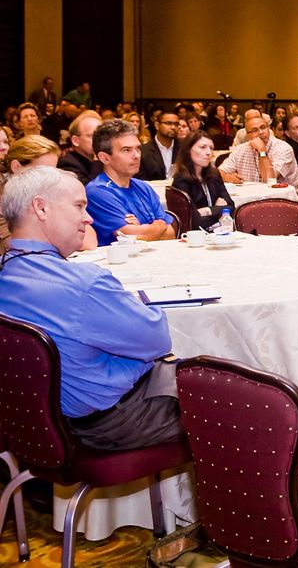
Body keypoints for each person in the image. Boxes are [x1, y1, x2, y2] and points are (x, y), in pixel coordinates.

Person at [0, 166, 183, 451]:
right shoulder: (83, 285)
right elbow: (158, 338)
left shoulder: (8, 270)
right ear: (41, 209)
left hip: (37, 425)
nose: (89, 218)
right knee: (238, 402)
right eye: (79, 206)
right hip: (113, 423)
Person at [85, 120, 173, 247]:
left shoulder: (143, 187)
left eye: (138, 148)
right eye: (126, 150)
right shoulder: (98, 191)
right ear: (104, 158)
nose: (136, 155)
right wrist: (159, 225)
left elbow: (170, 234)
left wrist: (144, 229)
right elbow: (131, 237)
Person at [1, 135, 67, 252]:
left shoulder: (50, 190)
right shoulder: (4, 198)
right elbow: (17, 246)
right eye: (42, 171)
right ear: (16, 167)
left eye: (53, 171)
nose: (50, 178)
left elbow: (87, 239)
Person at [169, 131, 235, 232]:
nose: (209, 152)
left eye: (211, 148)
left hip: (218, 233)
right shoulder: (181, 180)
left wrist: (207, 210)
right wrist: (218, 210)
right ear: (188, 150)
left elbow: (231, 207)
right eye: (203, 147)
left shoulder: (214, 175)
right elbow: (192, 220)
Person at [219, 109, 298, 185]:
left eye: (263, 127)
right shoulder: (240, 150)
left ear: (268, 129)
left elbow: (270, 180)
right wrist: (228, 177)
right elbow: (218, 173)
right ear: (248, 136)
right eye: (255, 130)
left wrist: (262, 151)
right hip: (251, 197)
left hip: (281, 197)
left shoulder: (283, 148)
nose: (261, 132)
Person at [59, 111, 104, 185]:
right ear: (75, 140)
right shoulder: (67, 164)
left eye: (102, 135)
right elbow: (89, 191)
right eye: (92, 136)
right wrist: (97, 161)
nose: (99, 140)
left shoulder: (103, 158)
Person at [137, 109, 181, 181]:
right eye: (168, 123)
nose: (173, 127)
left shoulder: (184, 148)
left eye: (176, 124)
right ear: (157, 125)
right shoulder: (144, 151)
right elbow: (141, 180)